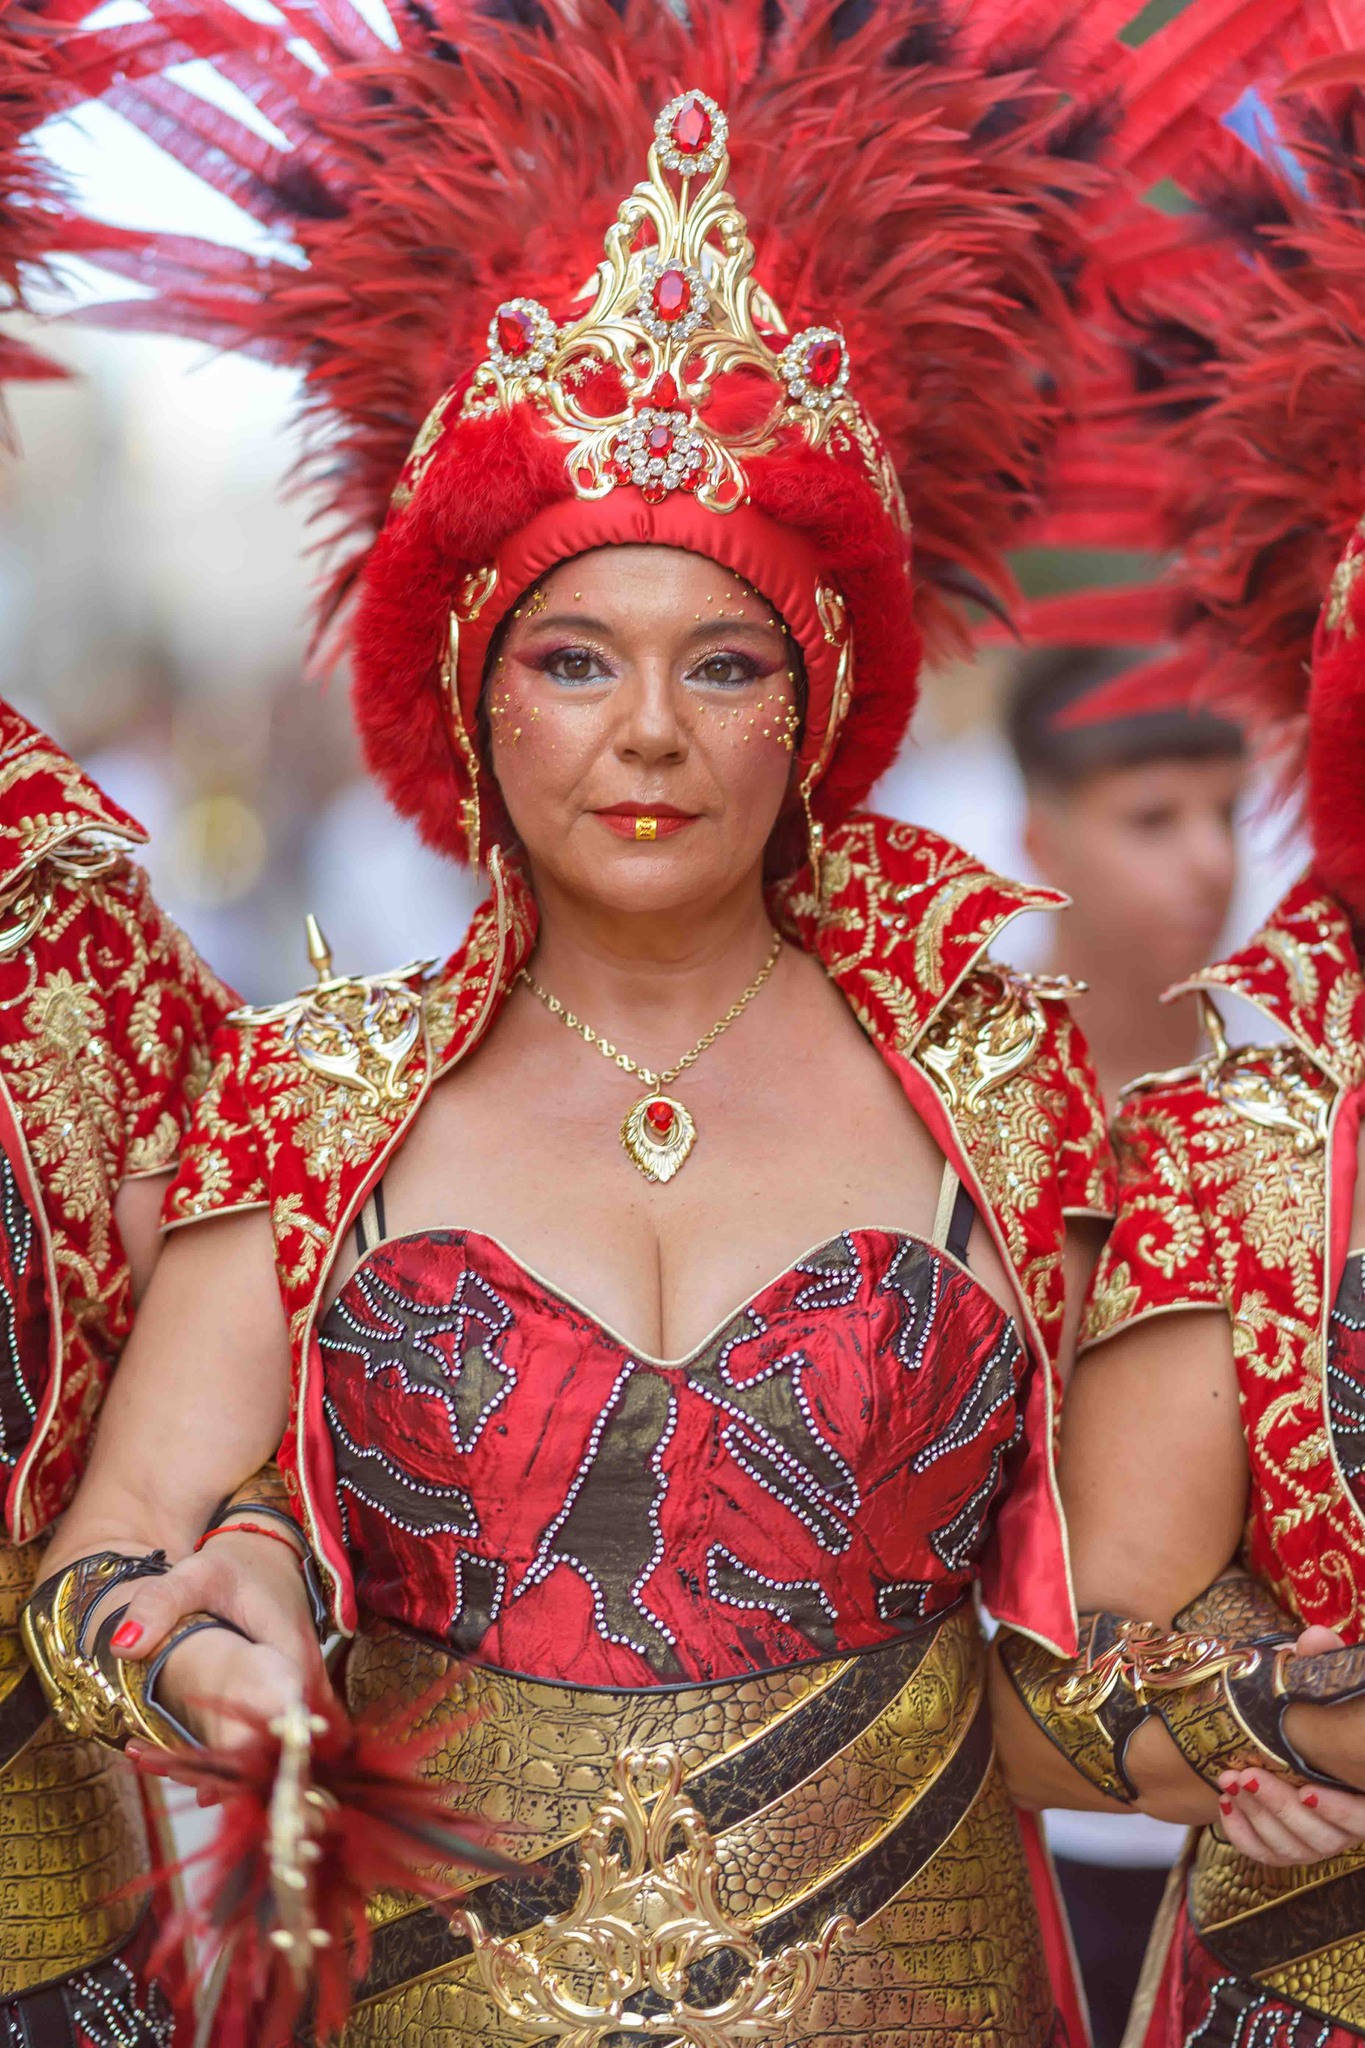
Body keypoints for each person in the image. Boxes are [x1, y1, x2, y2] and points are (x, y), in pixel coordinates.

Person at [20, 4, 1351, 2042]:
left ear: (816, 704)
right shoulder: (316, 1097)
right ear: (472, 692)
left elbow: (1095, 1640)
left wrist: (1263, 1718)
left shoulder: (994, 1090)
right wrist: (206, 1639)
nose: (647, 733)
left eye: (721, 664)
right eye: (575, 658)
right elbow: (103, 1559)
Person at [987, 31, 1365, 2048]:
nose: (1205, 859)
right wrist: (1260, 1704)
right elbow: (1075, 1637)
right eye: (1151, 815)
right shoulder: (1240, 1119)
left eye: (1221, 810)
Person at [1007, 648, 1246, 1109]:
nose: (1215, 860)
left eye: (1227, 813)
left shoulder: (1312, 1067)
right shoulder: (949, 1082)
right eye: (1153, 820)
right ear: (1043, 846)